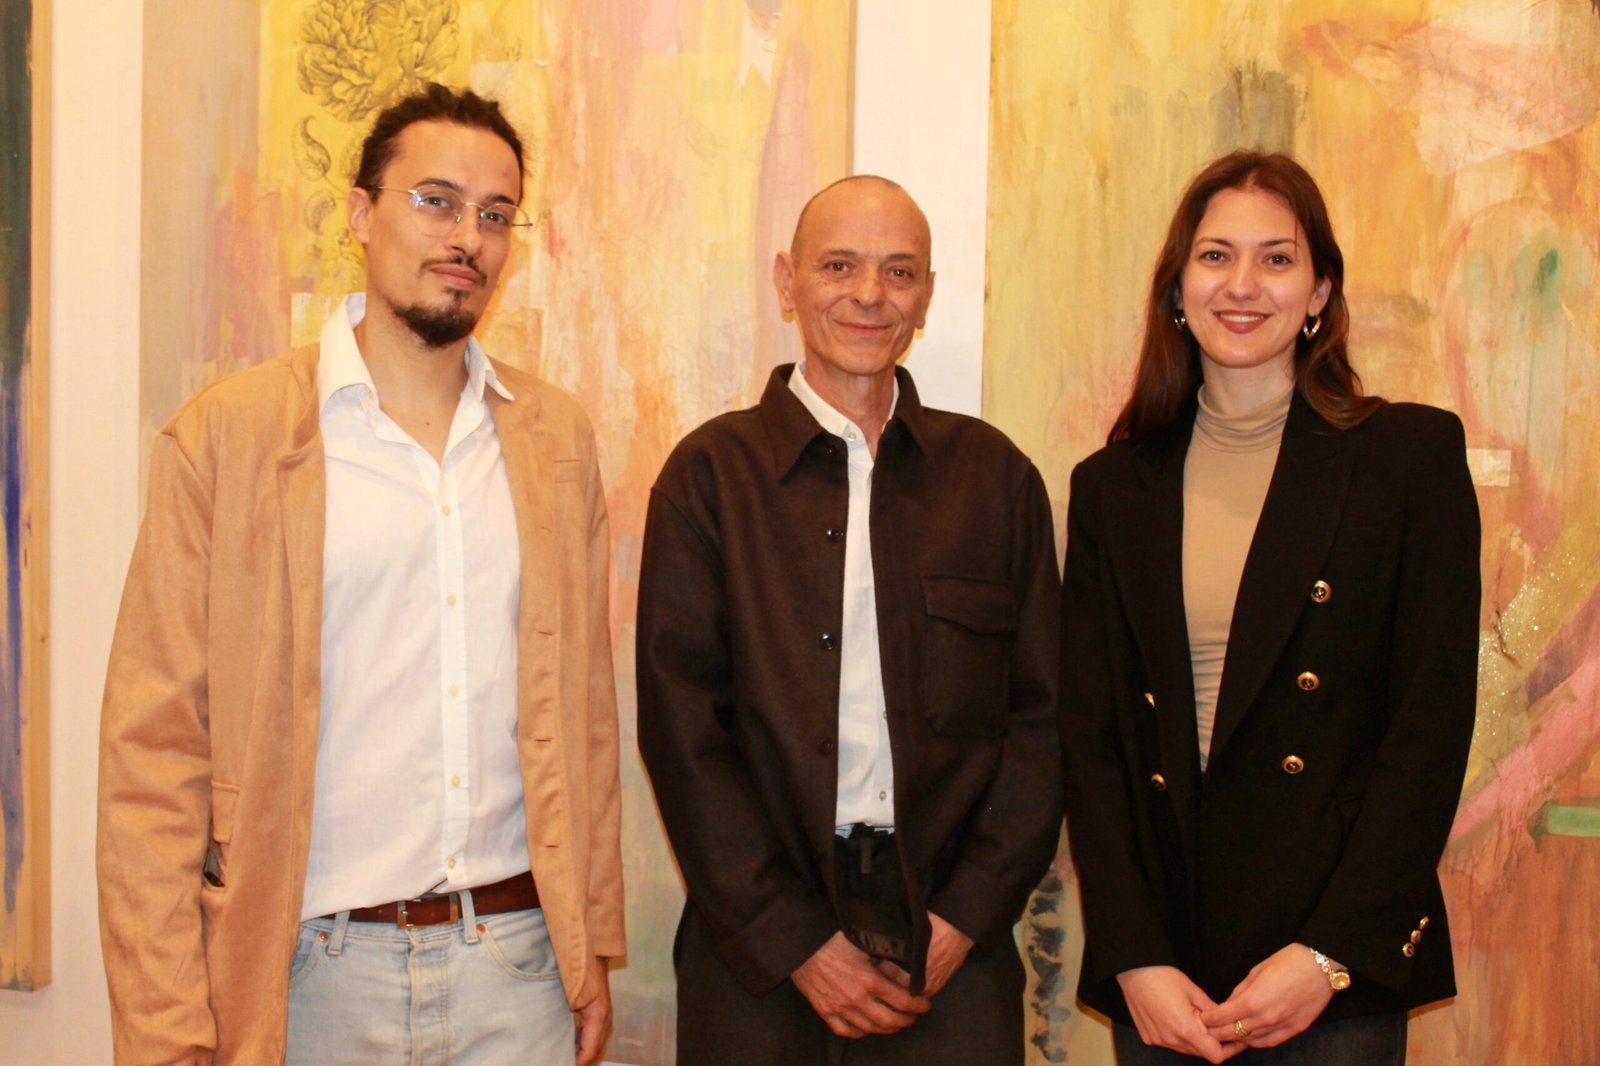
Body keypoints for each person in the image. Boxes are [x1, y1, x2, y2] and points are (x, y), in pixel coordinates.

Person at [97, 84, 624, 1066]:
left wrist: (588, 942)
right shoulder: (229, 438)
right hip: (307, 979)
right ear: (359, 213)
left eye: (495, 214)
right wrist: (166, 1028)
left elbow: (585, 720)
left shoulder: (555, 442)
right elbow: (152, 758)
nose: (466, 236)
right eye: (436, 201)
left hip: (516, 970)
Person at [1060, 150, 1480, 1063]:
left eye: (1277, 259)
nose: (1243, 284)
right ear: (1178, 288)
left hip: (1331, 968)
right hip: (1168, 970)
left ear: (1320, 290)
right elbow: (1092, 742)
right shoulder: (1111, 488)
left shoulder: (1408, 458)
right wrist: (1134, 955)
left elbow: (1430, 726)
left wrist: (1328, 955)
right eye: (1215, 256)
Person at [635, 175, 1064, 1064]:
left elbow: (1044, 724)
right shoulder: (709, 479)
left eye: (899, 272)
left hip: (950, 936)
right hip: (757, 942)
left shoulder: (995, 482)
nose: (870, 294)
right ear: (787, 281)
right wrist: (792, 941)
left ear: (927, 296)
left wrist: (965, 916)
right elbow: (683, 732)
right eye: (839, 266)